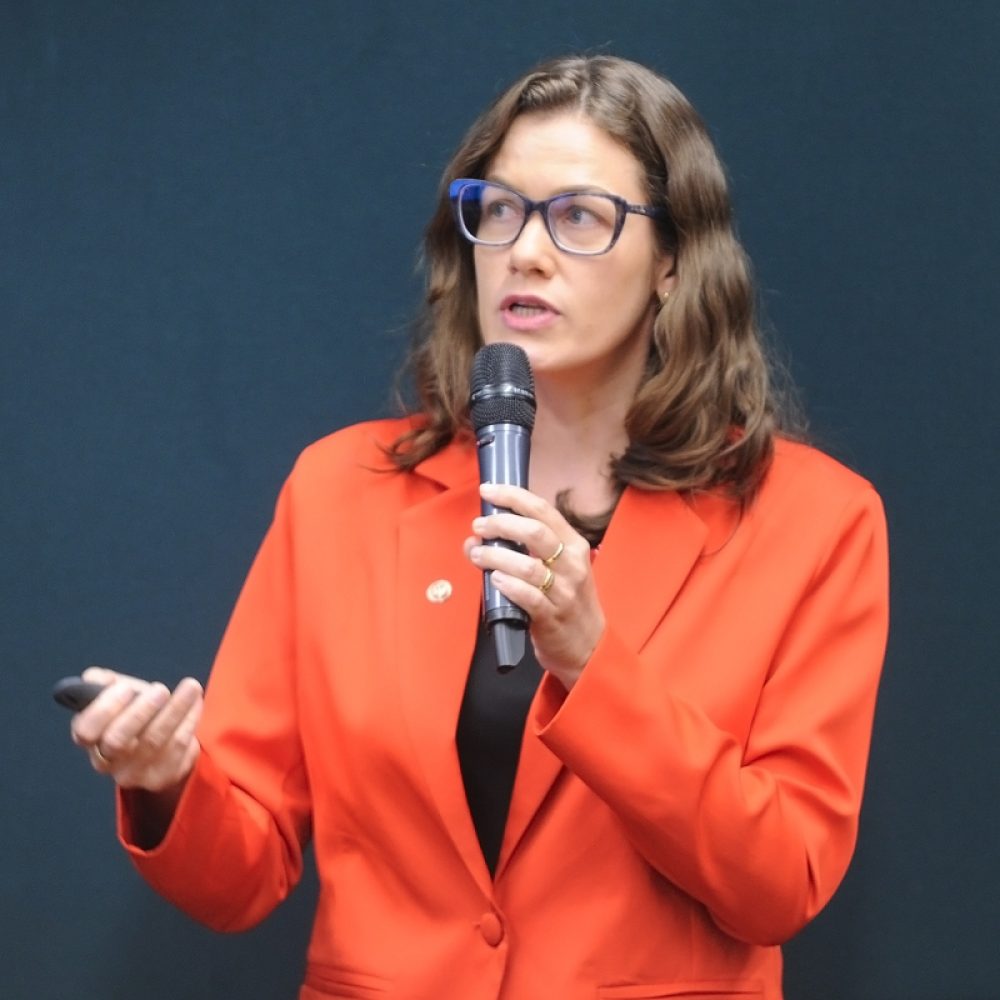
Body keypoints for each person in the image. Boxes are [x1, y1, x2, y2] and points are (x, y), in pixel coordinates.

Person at [70, 54, 889, 1000]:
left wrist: (593, 664)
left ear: (673, 260)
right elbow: (242, 875)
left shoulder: (814, 520)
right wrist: (169, 780)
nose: (525, 250)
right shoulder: (342, 491)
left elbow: (779, 884)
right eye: (498, 210)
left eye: (579, 216)